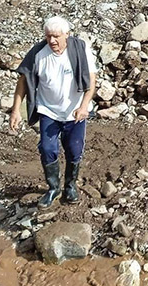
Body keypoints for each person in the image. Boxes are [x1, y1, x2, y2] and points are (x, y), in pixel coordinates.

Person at [9, 16, 97, 208]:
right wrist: (15, 110)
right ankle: (53, 188)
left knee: (74, 150)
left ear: (67, 35)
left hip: (74, 112)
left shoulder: (81, 50)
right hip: (48, 110)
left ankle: (70, 185)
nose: (52, 41)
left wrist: (84, 106)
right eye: (48, 36)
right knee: (47, 149)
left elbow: (91, 81)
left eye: (56, 36)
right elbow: (23, 81)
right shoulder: (38, 53)